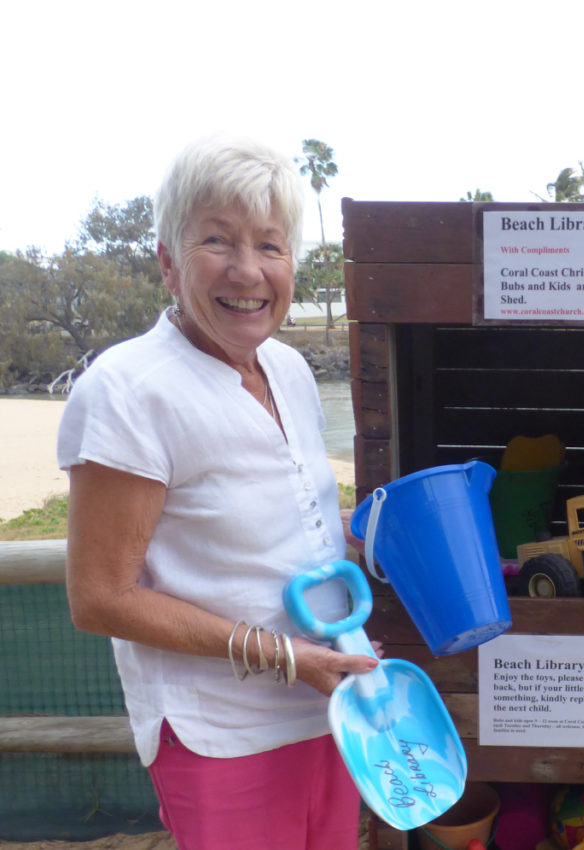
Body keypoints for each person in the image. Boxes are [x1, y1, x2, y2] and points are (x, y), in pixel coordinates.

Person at [57, 136, 380, 850]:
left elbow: (281, 519)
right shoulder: (126, 391)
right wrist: (288, 657)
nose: (248, 270)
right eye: (217, 241)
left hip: (330, 706)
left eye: (270, 245)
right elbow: (99, 598)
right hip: (222, 731)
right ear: (169, 261)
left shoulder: (290, 369)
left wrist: (362, 537)